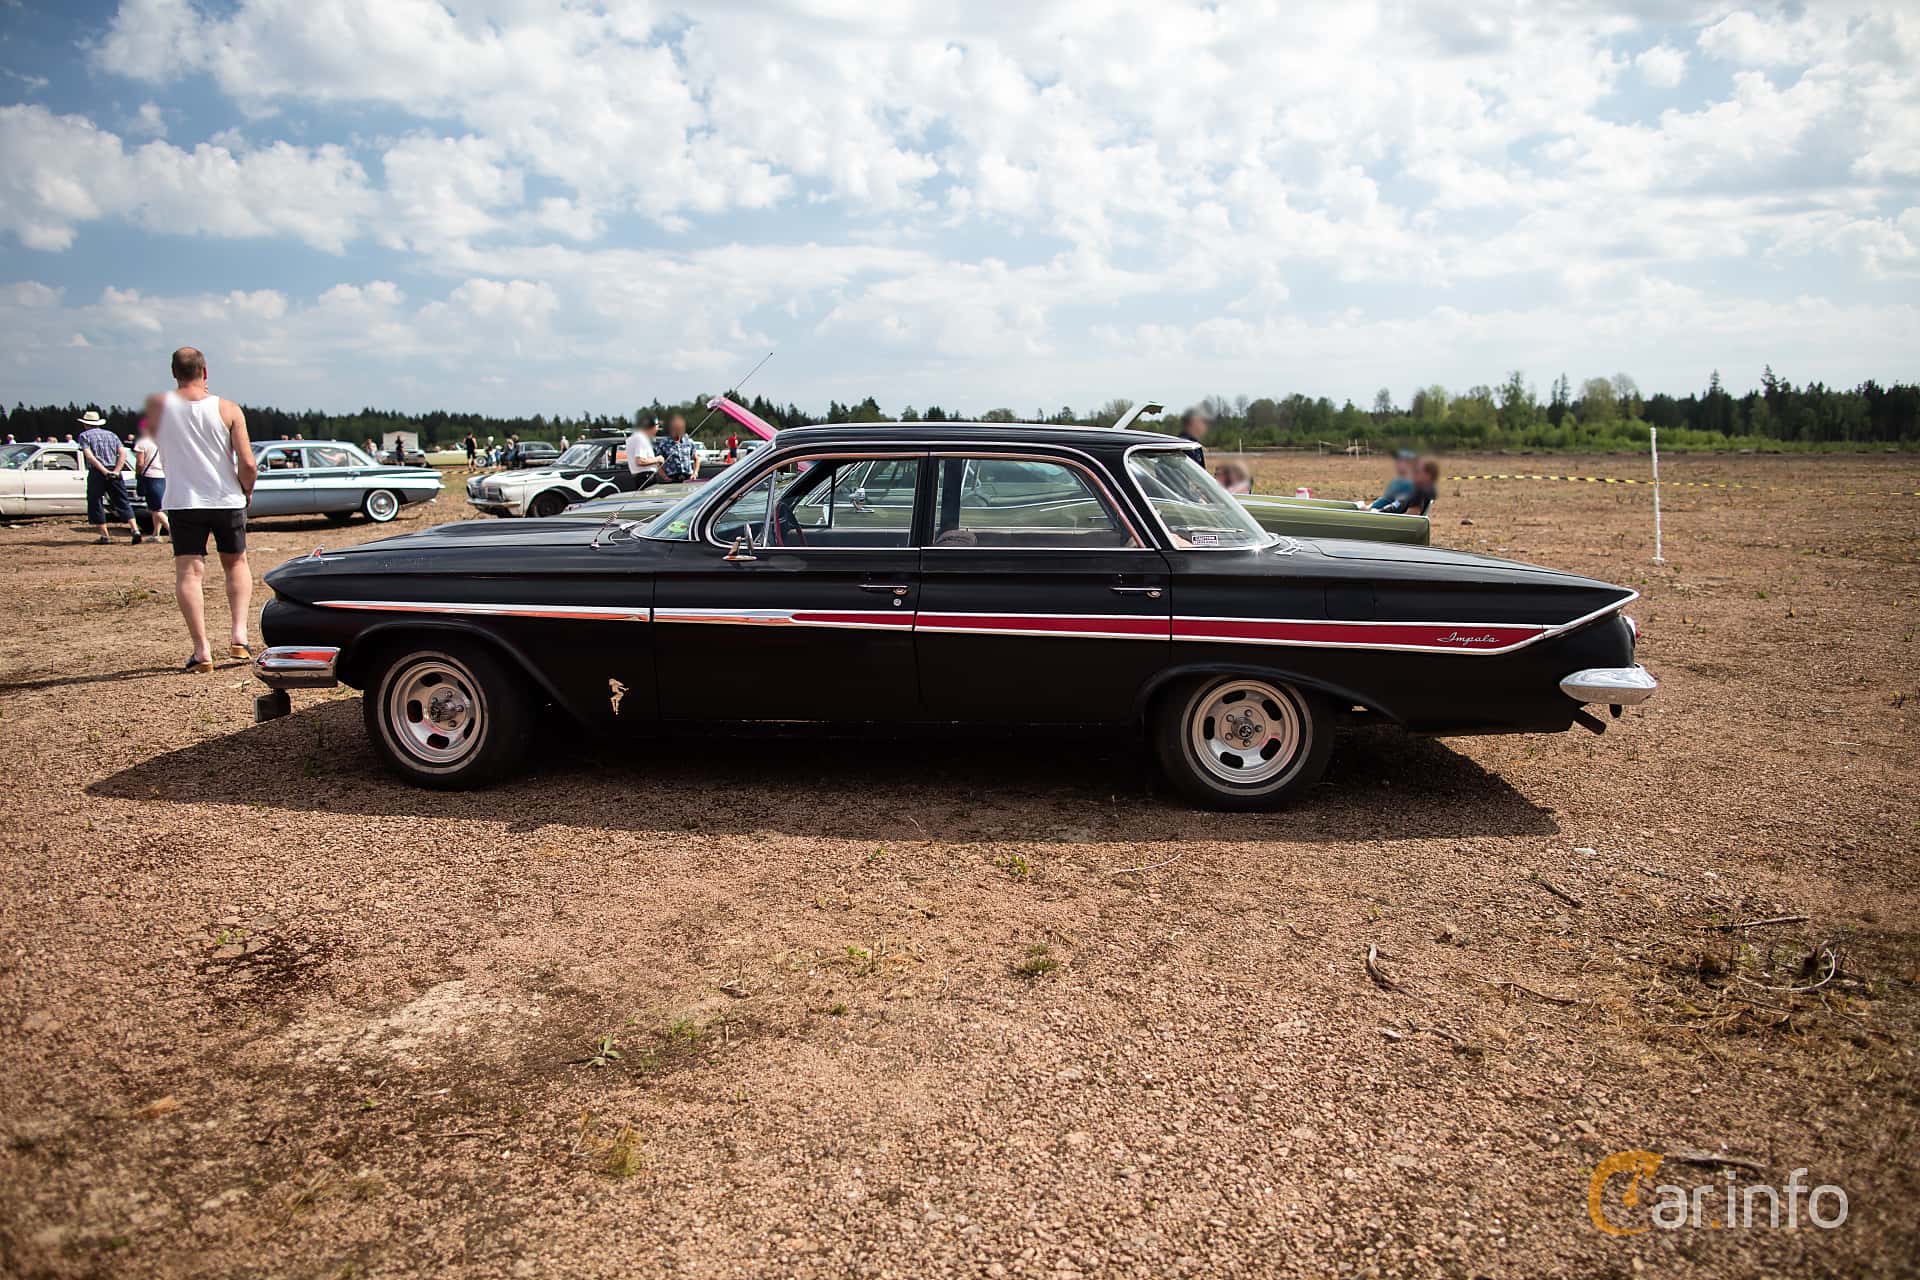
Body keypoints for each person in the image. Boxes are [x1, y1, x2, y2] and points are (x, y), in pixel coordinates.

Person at [149, 346, 257, 674]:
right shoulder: (229, 409)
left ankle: (201, 650)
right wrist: (246, 489)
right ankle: (239, 635)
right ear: (205, 371)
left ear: (174, 373)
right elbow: (248, 462)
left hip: (183, 500)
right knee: (236, 563)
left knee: (189, 572)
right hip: (226, 499)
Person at [77, 409, 141, 544]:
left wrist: (103, 471)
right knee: (123, 500)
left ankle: (105, 535)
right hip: (115, 469)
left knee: (96, 501)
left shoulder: (84, 436)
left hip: (98, 471)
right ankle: (135, 529)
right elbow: (122, 453)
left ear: (85, 424)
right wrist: (117, 470)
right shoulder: (112, 435)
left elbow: (90, 456)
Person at [134, 395, 170, 538]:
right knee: (158, 506)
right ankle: (156, 534)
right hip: (162, 476)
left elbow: (140, 462)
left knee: (155, 509)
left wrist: (138, 474)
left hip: (149, 477)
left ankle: (171, 530)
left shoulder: (142, 443)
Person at [657, 413, 700, 483]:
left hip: (688, 477)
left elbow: (696, 458)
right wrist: (665, 477)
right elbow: (658, 464)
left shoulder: (689, 441)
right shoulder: (664, 443)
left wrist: (695, 473)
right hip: (672, 478)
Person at [622, 417, 661, 491]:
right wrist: (658, 459)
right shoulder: (641, 438)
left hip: (640, 477)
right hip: (646, 477)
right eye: (657, 427)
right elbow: (640, 461)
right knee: (650, 501)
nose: (657, 429)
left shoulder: (633, 437)